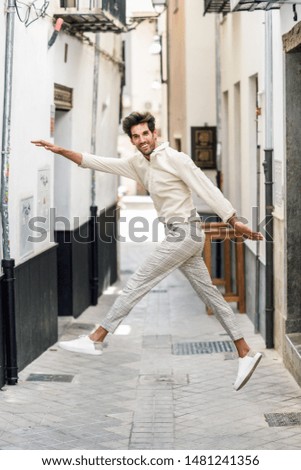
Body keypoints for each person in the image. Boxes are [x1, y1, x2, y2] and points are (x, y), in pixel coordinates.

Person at [32, 111, 263, 391]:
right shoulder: (137, 164)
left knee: (139, 280)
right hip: (179, 235)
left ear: (155, 133)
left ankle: (97, 337)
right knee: (210, 295)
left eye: (145, 134)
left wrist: (233, 220)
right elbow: (97, 162)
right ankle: (244, 351)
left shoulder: (175, 159)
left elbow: (206, 187)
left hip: (185, 232)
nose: (142, 140)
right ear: (131, 140)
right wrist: (60, 150)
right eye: (136, 136)